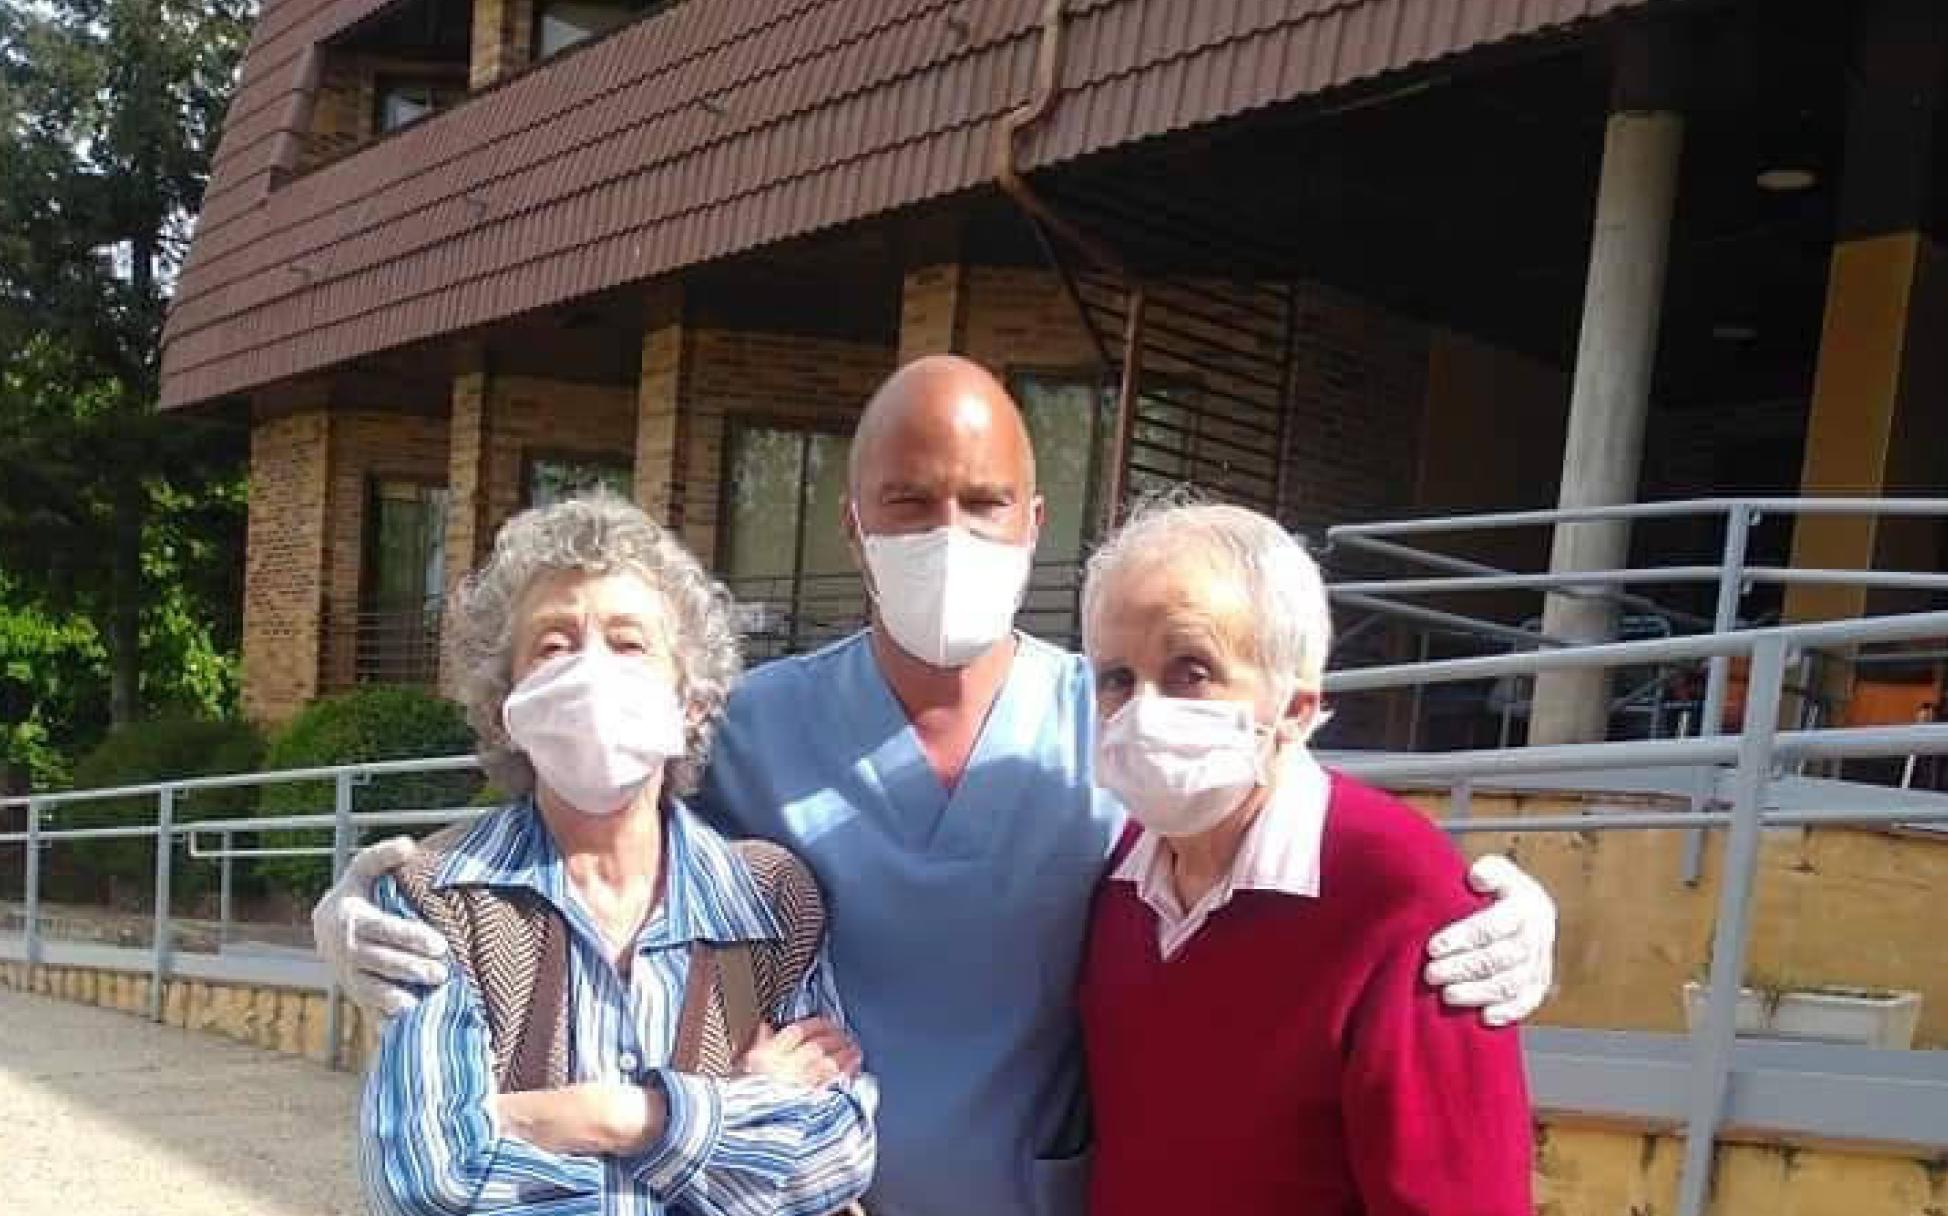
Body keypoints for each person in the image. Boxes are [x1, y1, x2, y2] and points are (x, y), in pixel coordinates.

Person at [318, 355, 1557, 1216]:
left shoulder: (1116, 712)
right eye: (908, 502)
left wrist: (1490, 906)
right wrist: (371, 898)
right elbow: (587, 819)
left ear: (1033, 519)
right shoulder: (753, 727)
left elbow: (1266, 782)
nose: (946, 530)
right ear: (855, 523)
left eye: (981, 502)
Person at [358, 495, 876, 1216]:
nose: (591, 669)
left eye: (629, 643)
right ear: (507, 701)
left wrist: (617, 1115)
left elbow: (834, 1154)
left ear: (691, 698)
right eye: (553, 644)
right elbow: (431, 1179)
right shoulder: (436, 895)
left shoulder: (769, 898)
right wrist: (731, 1116)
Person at [1076, 500, 1532, 1215]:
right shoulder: (1121, 883)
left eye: (1190, 669)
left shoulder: (1406, 901)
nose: (1143, 710)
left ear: (1294, 706)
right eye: (1116, 678)